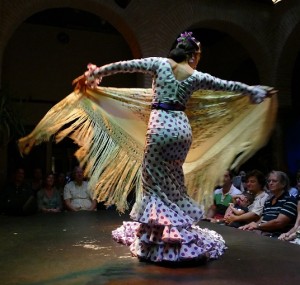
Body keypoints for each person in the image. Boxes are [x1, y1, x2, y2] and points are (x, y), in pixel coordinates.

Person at [70, 31, 276, 263]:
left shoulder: (159, 64)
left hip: (160, 128)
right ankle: (175, 232)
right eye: (198, 55)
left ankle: (161, 238)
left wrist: (94, 74)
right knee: (173, 180)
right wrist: (253, 91)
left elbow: (124, 65)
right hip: (181, 130)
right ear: (192, 55)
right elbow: (226, 85)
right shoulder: (196, 75)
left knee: (153, 181)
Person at [239, 170, 298, 237]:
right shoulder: (269, 201)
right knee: (240, 232)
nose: (270, 183)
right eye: (269, 181)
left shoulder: (289, 199)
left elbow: (279, 223)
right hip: (262, 232)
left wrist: (257, 226)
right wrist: (250, 225)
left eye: (274, 181)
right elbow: (263, 219)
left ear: (283, 184)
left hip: (277, 236)